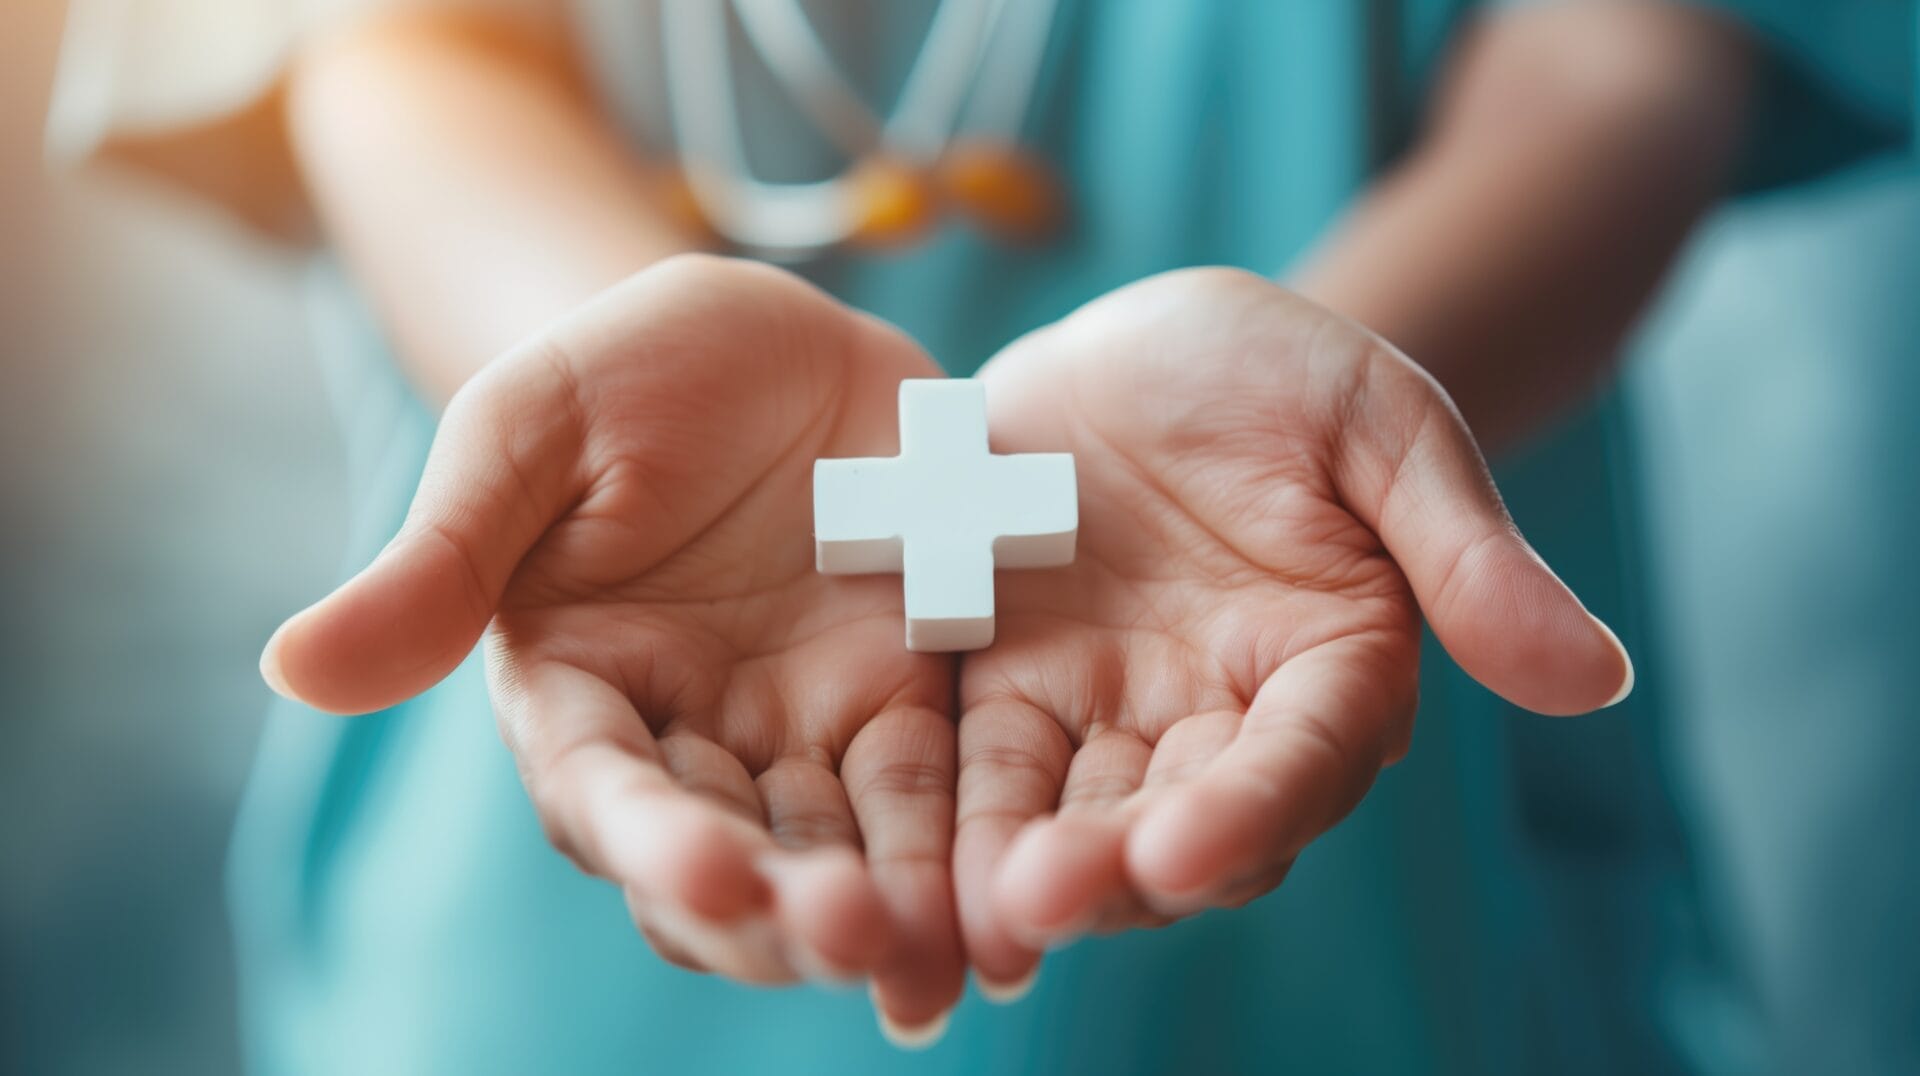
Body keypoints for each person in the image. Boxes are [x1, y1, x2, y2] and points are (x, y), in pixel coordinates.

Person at [47, 0, 1905, 1072]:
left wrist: (1345, 404)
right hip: (583, 908)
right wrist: (609, 383)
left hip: (1361, 938)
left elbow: (1623, 55)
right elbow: (385, 47)